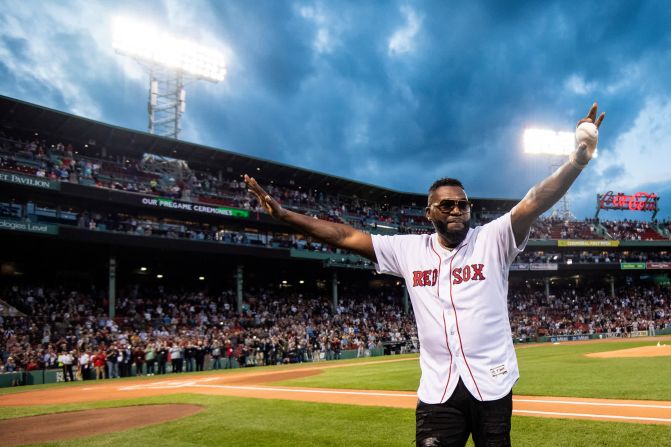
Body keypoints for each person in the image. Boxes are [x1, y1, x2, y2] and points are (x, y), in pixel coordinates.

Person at [245, 103, 605, 447]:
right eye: (446, 204)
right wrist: (287, 215)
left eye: (463, 204)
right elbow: (345, 236)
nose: (456, 210)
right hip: (438, 391)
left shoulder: (493, 238)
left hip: (492, 385)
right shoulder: (409, 250)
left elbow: (534, 200)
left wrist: (577, 159)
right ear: (428, 212)